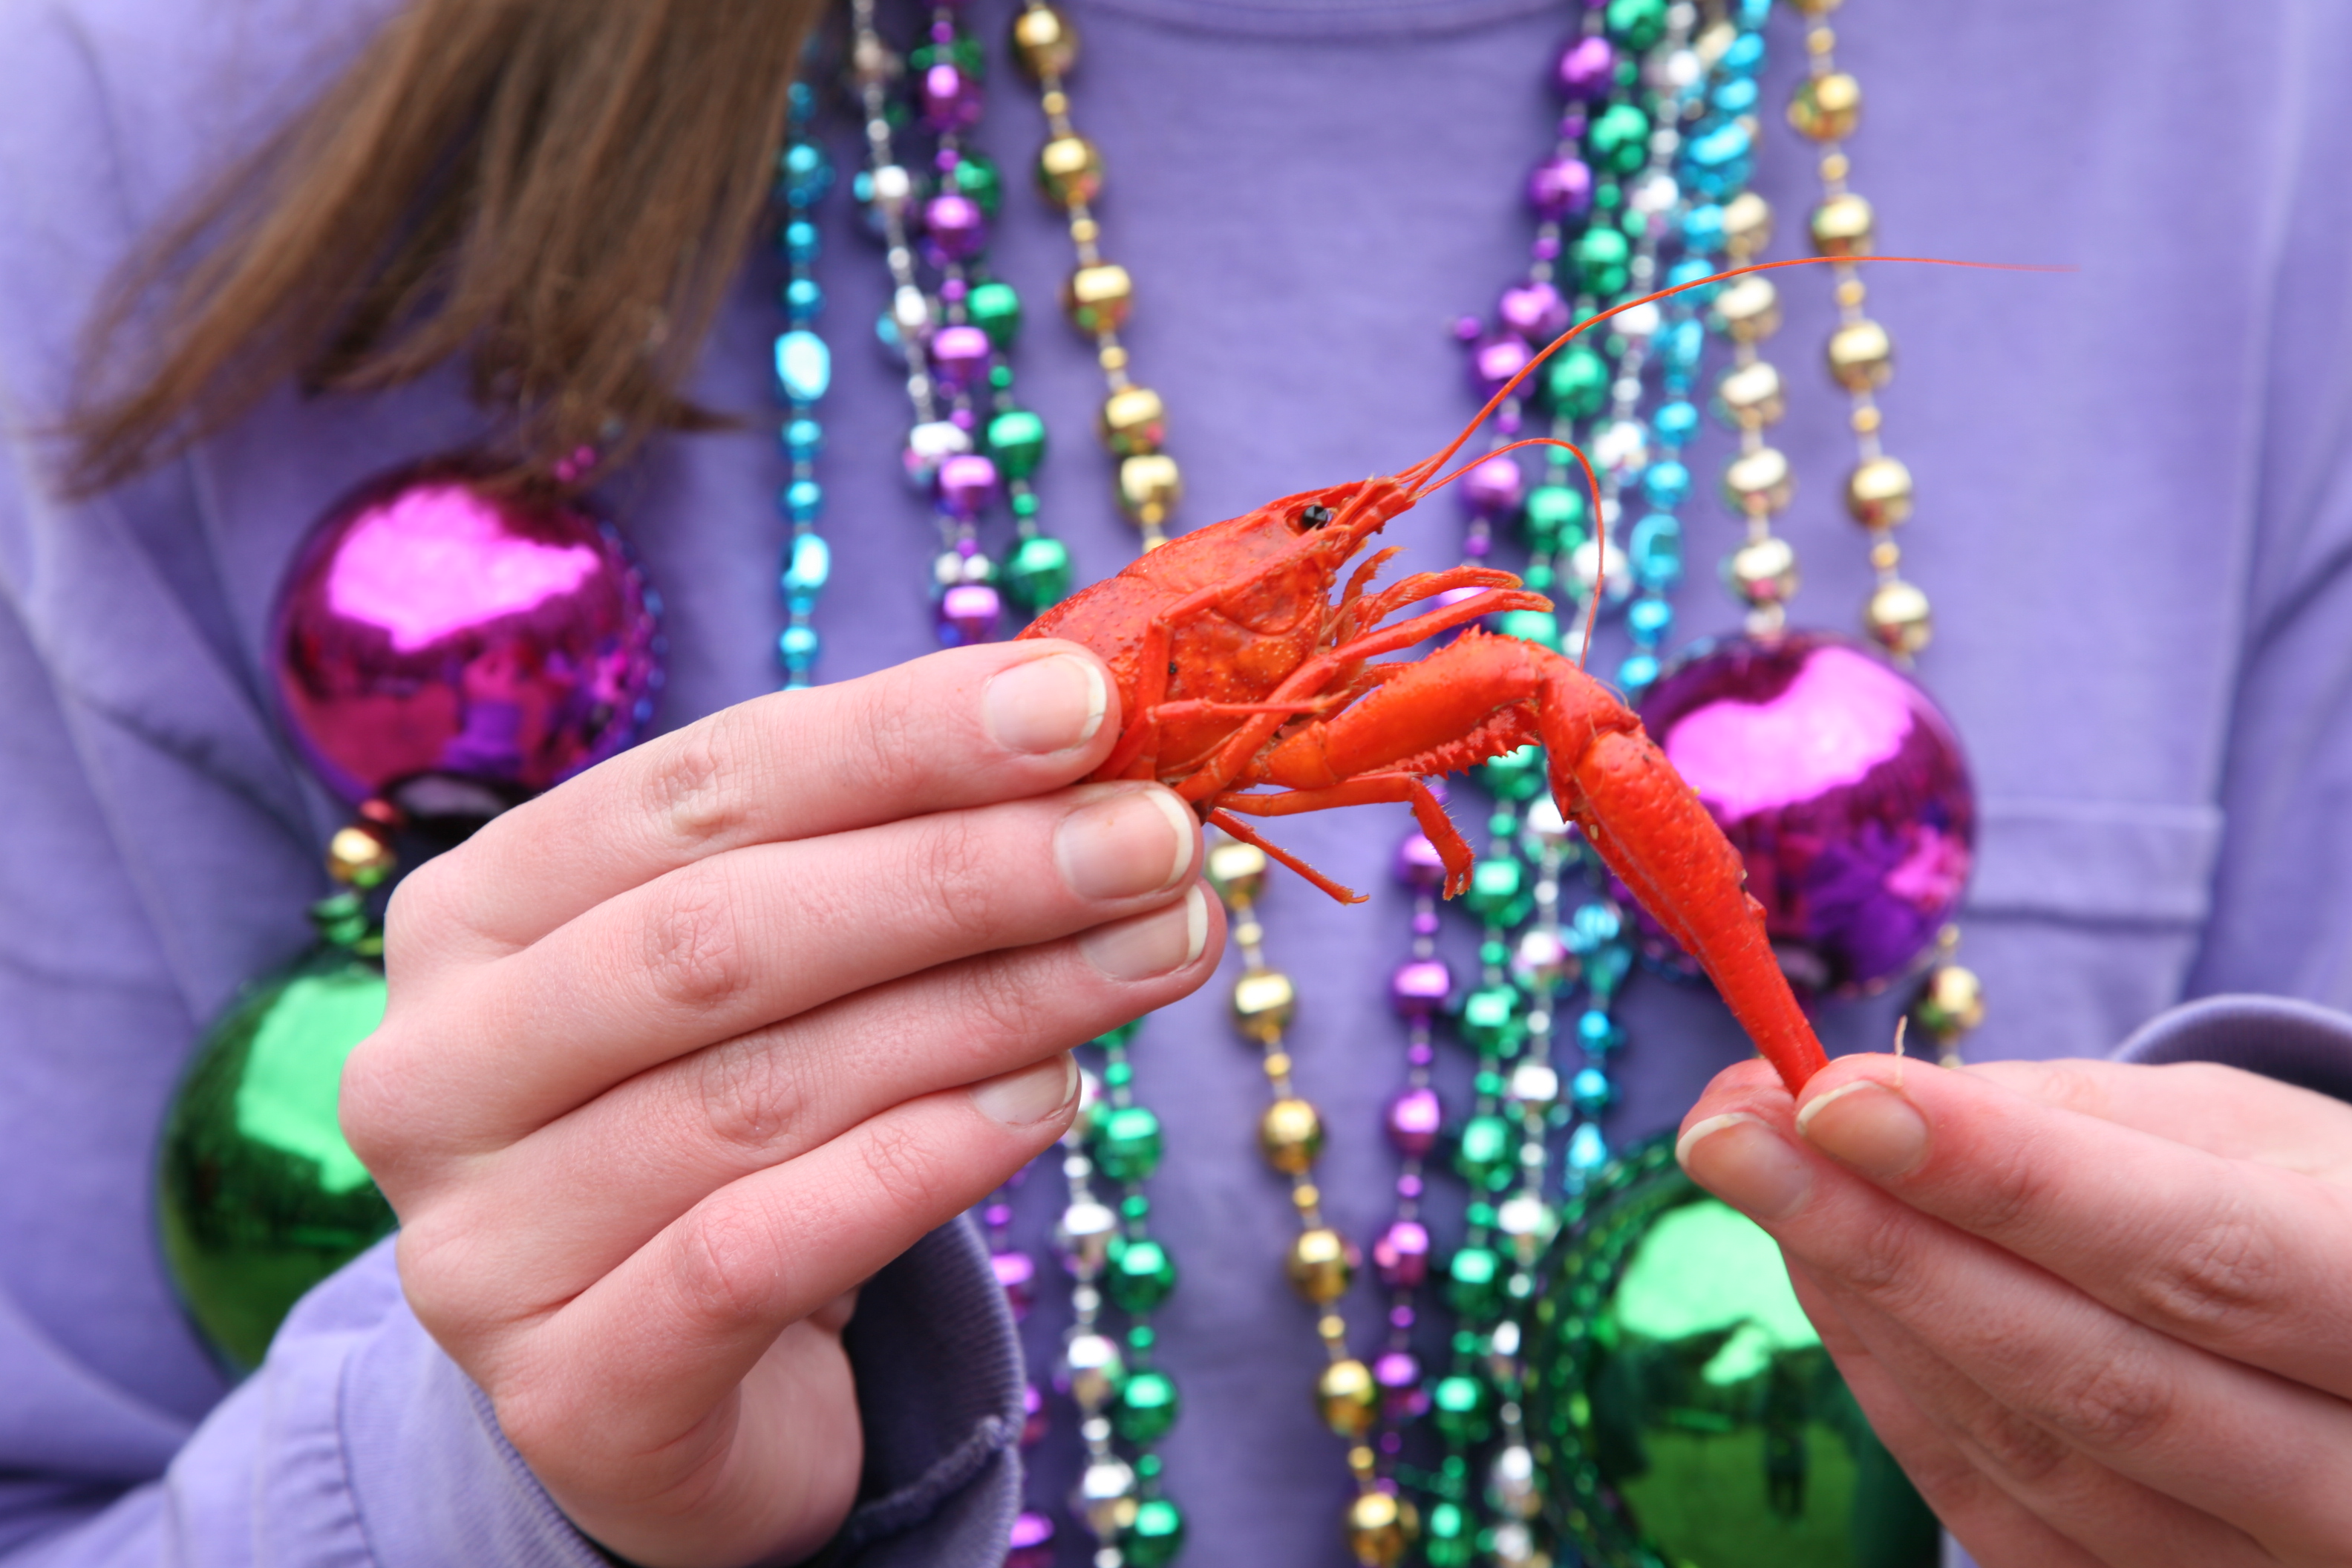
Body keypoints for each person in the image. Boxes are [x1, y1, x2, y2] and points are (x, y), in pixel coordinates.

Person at [4, 1, 2352, 1566]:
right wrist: (506, 1484)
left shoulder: (2269, 103)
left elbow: (1470, 696)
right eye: (1337, 538)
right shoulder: (134, 108)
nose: (1374, 554)